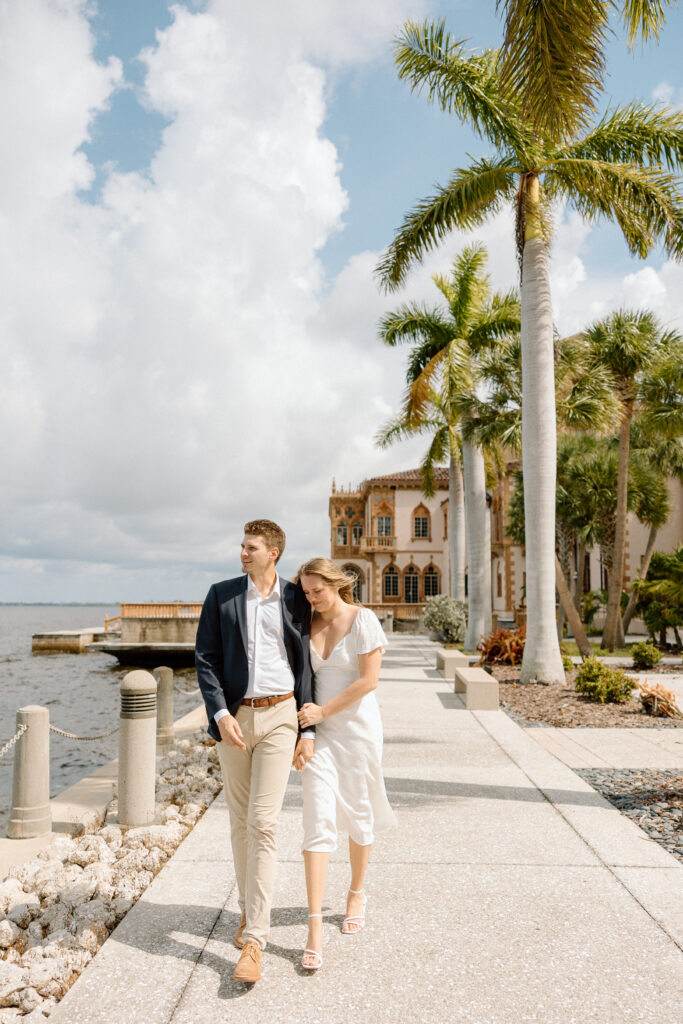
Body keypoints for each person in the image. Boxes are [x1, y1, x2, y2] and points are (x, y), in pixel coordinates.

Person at [195, 519, 315, 984]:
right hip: (235, 721)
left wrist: (309, 731)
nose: (242, 553)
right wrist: (220, 713)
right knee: (241, 823)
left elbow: (305, 662)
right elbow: (204, 657)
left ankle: (255, 940)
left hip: (283, 716)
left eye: (251, 547)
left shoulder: (294, 598)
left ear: (274, 553)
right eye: (242, 546)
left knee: (264, 823)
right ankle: (249, 912)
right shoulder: (221, 594)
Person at [295, 557, 395, 971]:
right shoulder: (306, 625)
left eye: (317, 591)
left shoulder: (363, 619)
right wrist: (308, 729)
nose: (312, 599)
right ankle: (314, 926)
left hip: (357, 732)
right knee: (317, 819)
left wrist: (324, 711)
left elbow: (369, 681)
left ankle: (356, 892)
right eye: (305, 593)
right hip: (319, 738)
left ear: (336, 584)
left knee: (358, 813)